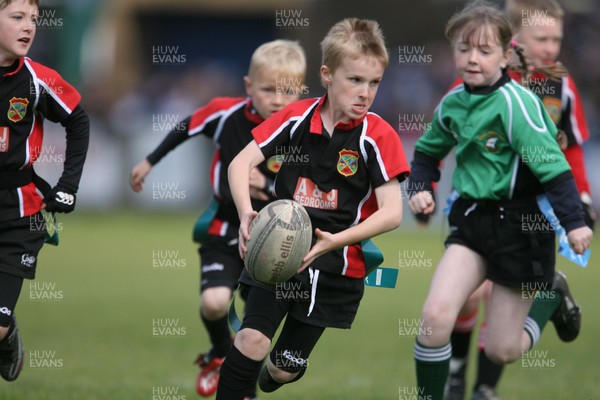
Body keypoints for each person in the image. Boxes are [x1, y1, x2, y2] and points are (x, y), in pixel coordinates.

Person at [407, 2, 593, 399]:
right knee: (435, 316)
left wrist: (575, 222)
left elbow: (555, 169)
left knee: (502, 349)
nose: (472, 59)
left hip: (523, 229)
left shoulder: (517, 104)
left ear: (505, 56)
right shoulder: (453, 101)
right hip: (473, 223)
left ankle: (551, 296)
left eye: (485, 51)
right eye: (464, 48)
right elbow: (425, 153)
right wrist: (419, 187)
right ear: (452, 51)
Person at [217, 18, 409, 399]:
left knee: (283, 368)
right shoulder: (297, 117)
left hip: (337, 267)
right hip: (280, 254)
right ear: (327, 74)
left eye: (374, 83)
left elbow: (392, 213)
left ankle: (278, 372)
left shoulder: (378, 135)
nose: (365, 93)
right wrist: (245, 215)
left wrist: (335, 241)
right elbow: (240, 164)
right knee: (251, 340)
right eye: (354, 80)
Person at [129, 40, 306, 398]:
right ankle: (219, 353)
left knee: (255, 325)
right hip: (225, 227)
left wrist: (269, 183)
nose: (277, 99)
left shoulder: (303, 128)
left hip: (272, 238)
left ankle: (243, 386)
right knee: (213, 304)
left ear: (301, 91)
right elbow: (185, 127)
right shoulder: (225, 114)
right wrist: (149, 161)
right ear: (248, 86)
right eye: (267, 89)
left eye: (287, 91)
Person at [0, 0, 90, 382]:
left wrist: (68, 185)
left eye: (34, 19)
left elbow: (79, 121)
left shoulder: (38, 79)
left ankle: (7, 335)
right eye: (17, 17)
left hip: (19, 213)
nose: (29, 27)